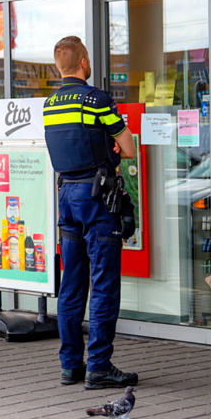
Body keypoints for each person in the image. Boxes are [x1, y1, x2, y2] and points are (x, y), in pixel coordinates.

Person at [43, 36, 138, 390]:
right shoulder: (95, 99)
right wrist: (111, 148)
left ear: (59, 66)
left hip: (66, 194)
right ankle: (98, 366)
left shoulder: (50, 104)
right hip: (97, 197)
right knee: (103, 284)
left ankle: (71, 366)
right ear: (84, 61)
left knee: (72, 284)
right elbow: (127, 147)